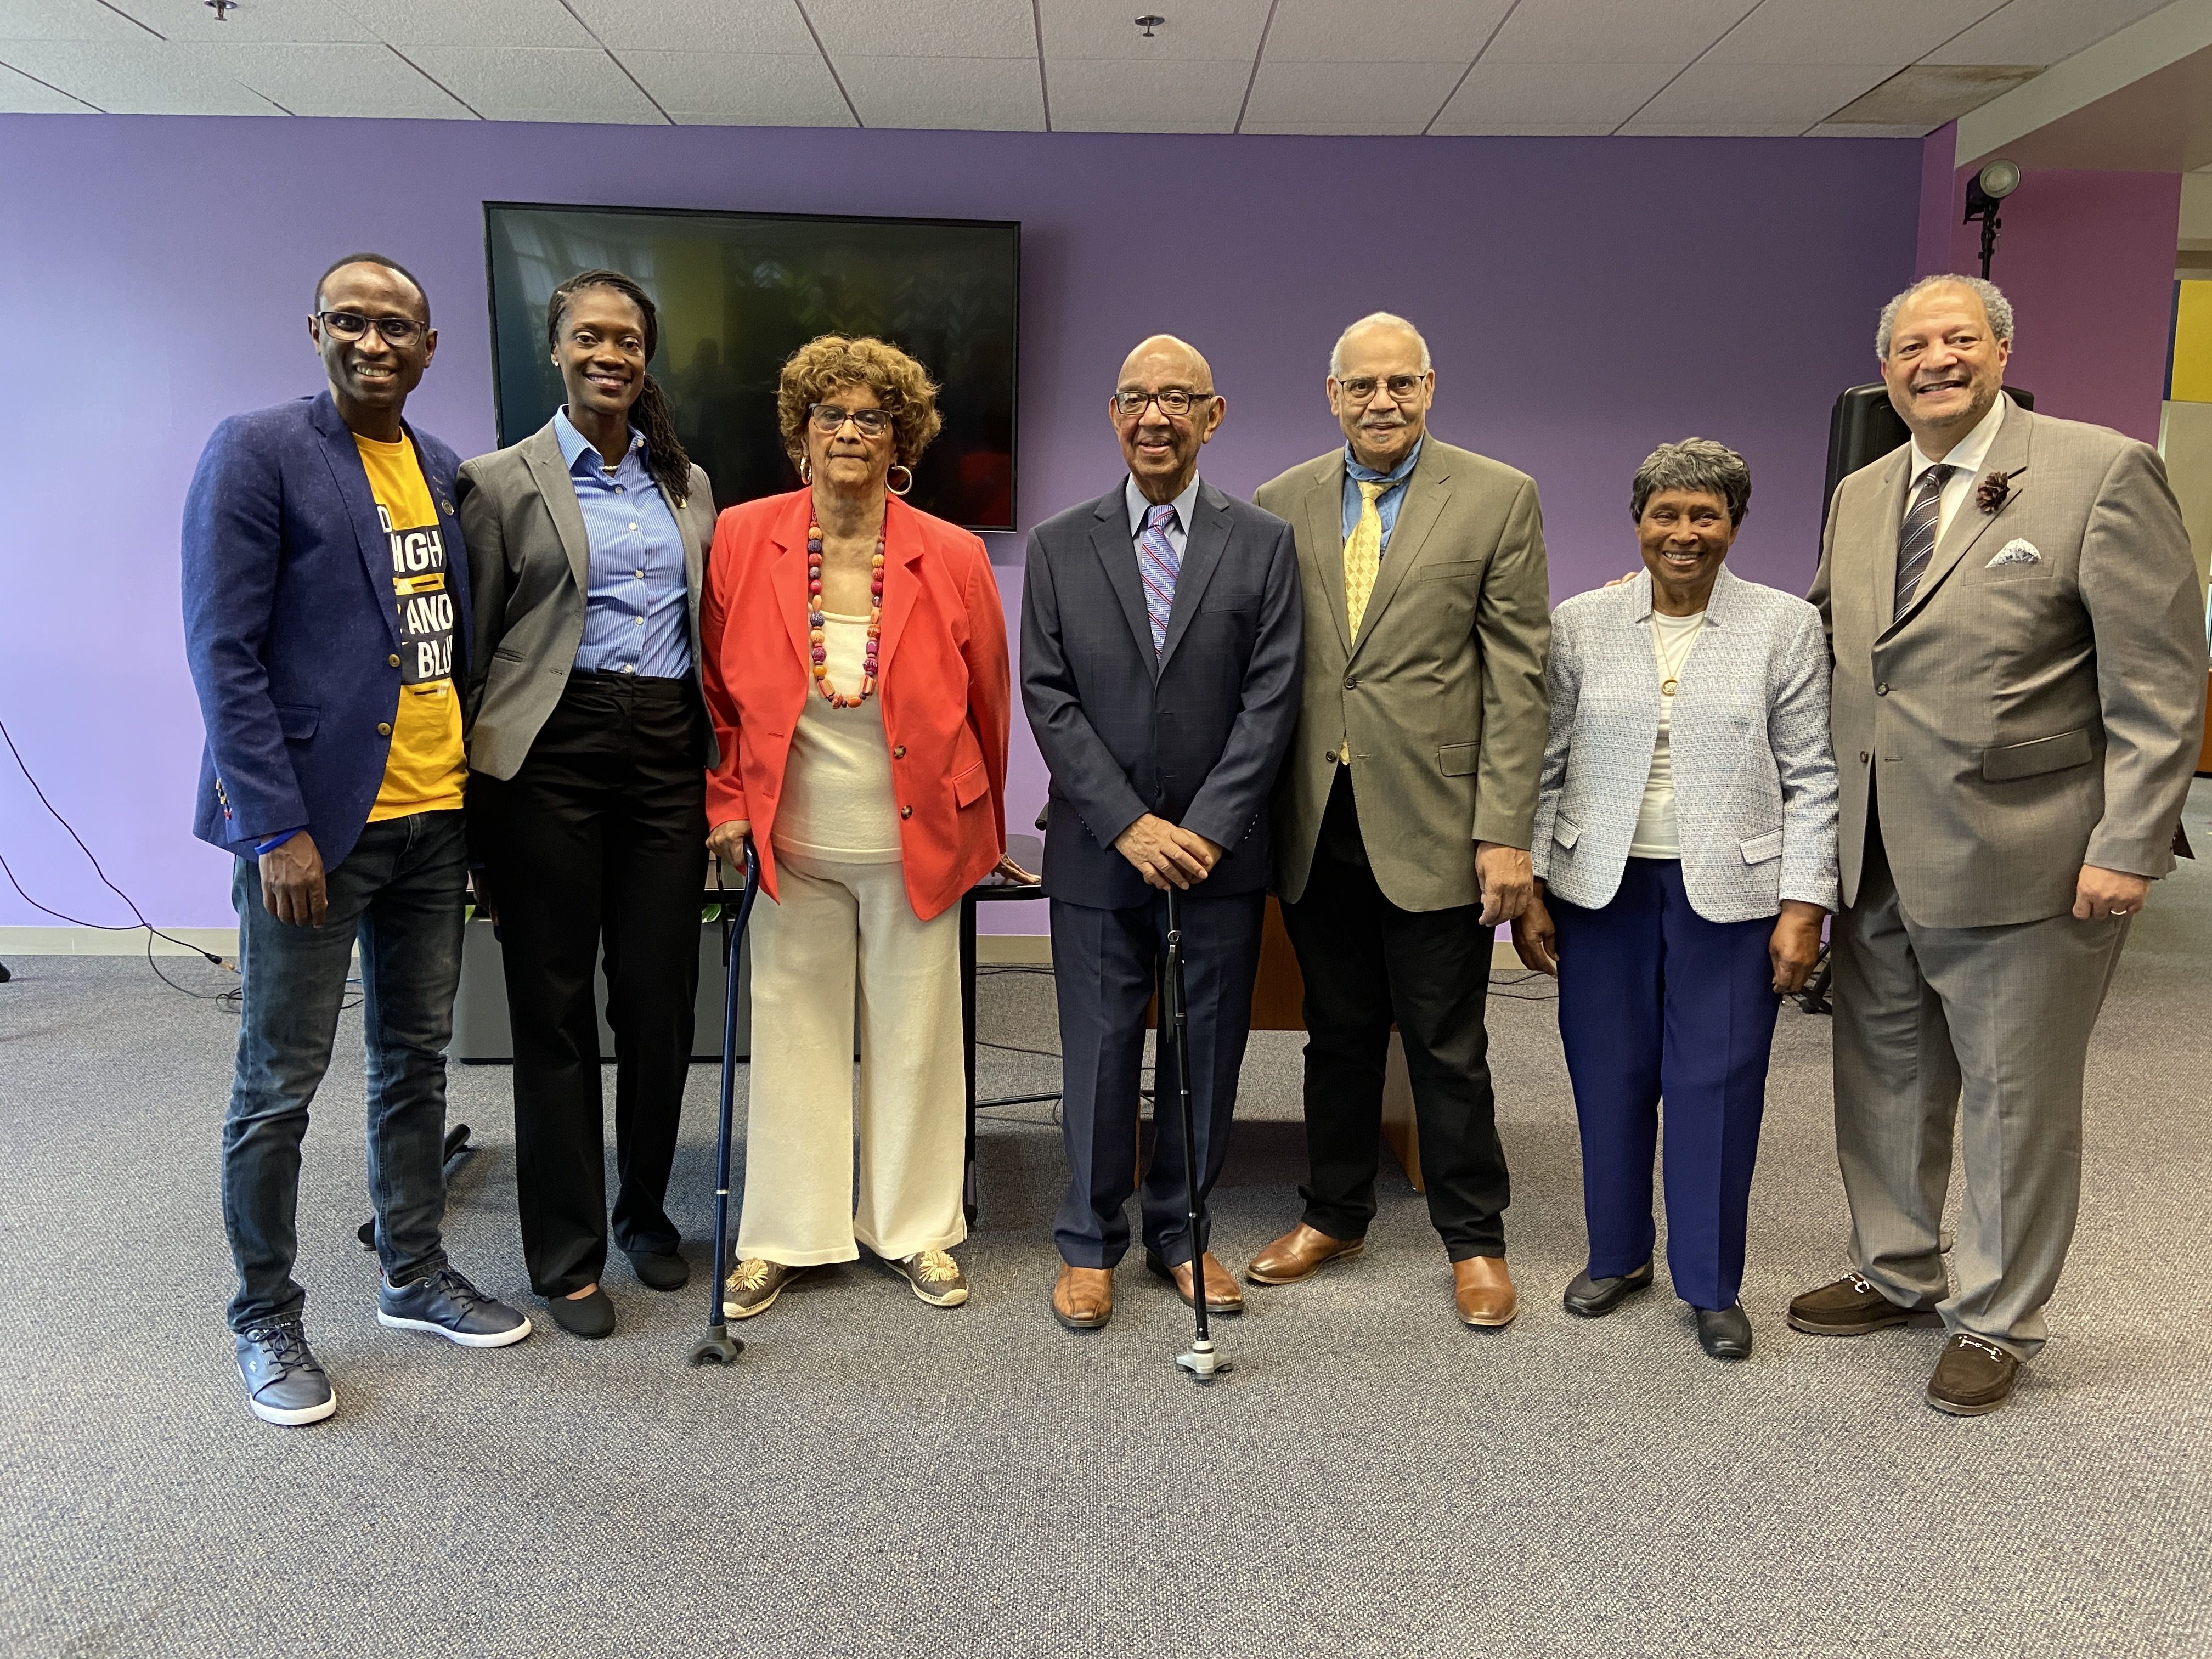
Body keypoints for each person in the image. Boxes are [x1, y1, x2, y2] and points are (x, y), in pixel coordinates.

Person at [1796, 275, 2207, 1415]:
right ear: (1887, 371)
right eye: (1912, 346)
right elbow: (1830, 640)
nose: (1935, 360)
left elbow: (2161, 684)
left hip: (2031, 852)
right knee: (1883, 1074)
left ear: (2003, 349)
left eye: (1958, 340)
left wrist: (2128, 842)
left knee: (2016, 1097)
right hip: (1878, 847)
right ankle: (1896, 1266)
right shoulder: (1867, 490)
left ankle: (2000, 1318)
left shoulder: (2100, 470)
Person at [183, 252, 530, 1426]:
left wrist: (472, 818)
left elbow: (443, 651)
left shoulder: (438, 467)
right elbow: (222, 654)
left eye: (399, 327)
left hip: (432, 823)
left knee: (415, 1064)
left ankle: (413, 1272)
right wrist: (273, 827)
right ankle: (266, 1316)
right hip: (313, 837)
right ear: (317, 328)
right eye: (353, 321)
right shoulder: (260, 450)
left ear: (432, 349)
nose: (375, 342)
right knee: (278, 1084)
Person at [1248, 313, 1551, 1328]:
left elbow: (1519, 677)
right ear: (1331, 394)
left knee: (1445, 1042)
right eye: (1363, 386)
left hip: (1439, 821)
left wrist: (1507, 830)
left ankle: (1477, 1239)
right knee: (1334, 1034)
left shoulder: (1498, 496)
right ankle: (1334, 1212)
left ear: (1431, 387)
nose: (1383, 402)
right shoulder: (1280, 501)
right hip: (1317, 818)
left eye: (1402, 384)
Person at [702, 335, 1013, 1319]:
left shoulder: (953, 554)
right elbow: (714, 692)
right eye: (828, 415)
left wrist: (987, 829)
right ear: (799, 434)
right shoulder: (744, 537)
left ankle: (915, 1228)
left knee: (917, 1039)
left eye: (871, 417)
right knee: (793, 1036)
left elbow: (990, 704)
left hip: (915, 841)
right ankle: (788, 1235)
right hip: (790, 840)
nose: (848, 432)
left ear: (901, 437)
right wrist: (723, 810)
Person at [1510, 439, 1837, 1362]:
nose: (1684, 534)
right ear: (1639, 522)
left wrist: (1806, 900)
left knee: (1717, 1084)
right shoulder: (1582, 621)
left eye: (1705, 516)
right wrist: (1532, 881)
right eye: (1667, 515)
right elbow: (1545, 761)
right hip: (1598, 887)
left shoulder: (1782, 626)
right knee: (1609, 1074)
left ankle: (1709, 1280)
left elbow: (1813, 773)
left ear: (1734, 526)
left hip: (1731, 894)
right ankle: (1616, 1255)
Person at [458, 270, 719, 1340]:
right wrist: (470, 820)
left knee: (658, 1001)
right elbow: (473, 655)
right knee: (553, 1006)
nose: (611, 355)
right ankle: (564, 1256)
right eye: (590, 337)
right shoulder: (499, 480)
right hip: (548, 753)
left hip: (665, 749)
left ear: (646, 358)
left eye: (630, 341)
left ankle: (645, 1214)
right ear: (556, 348)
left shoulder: (687, 482)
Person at [1023, 335, 1302, 1331]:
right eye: (1138, 398)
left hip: (1218, 858)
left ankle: (1181, 1234)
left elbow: (1273, 700)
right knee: (1098, 1054)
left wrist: (1209, 828)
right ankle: (1090, 1244)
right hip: (1102, 852)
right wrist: (1131, 824)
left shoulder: (1263, 542)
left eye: (1178, 399)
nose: (1156, 416)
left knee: (1206, 1052)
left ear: (1212, 416)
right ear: (1113, 414)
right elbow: (1047, 697)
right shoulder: (1059, 542)